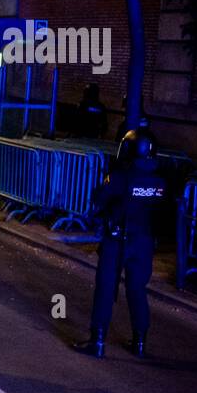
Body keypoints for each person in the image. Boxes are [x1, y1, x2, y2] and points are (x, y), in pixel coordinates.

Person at [73, 127, 167, 358]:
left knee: (106, 288)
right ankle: (140, 343)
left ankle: (98, 341)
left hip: (118, 239)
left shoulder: (121, 175)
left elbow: (99, 197)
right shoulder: (161, 179)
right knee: (137, 290)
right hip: (144, 241)